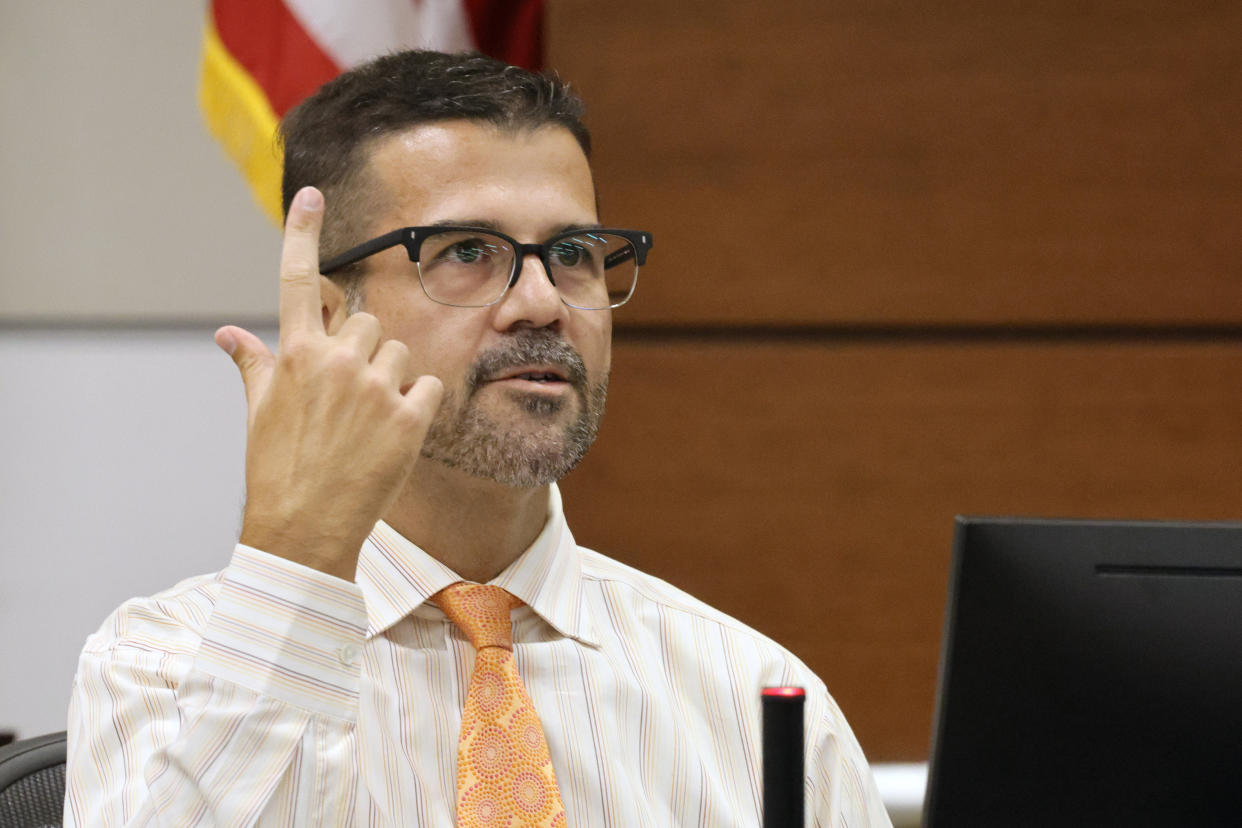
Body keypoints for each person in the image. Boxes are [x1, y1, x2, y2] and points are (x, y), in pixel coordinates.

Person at [65, 50, 891, 826]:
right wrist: (296, 557)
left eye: (571, 252)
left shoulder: (757, 698)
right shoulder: (161, 669)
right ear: (326, 318)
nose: (542, 302)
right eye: (468, 251)